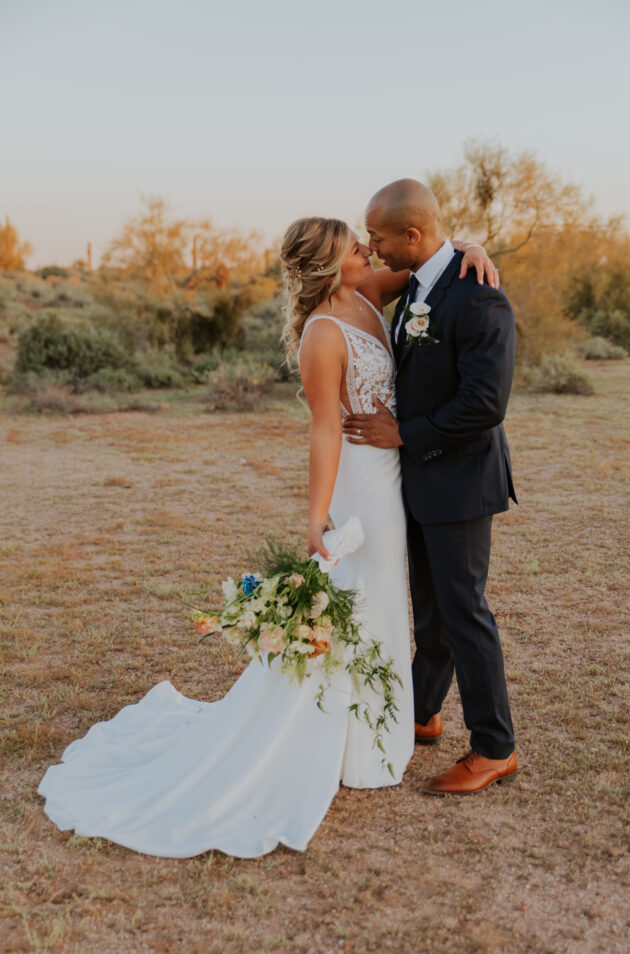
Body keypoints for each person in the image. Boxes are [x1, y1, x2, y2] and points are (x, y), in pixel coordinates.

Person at [37, 216, 496, 857]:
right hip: (363, 480)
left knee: (388, 598)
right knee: (368, 594)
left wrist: (472, 248)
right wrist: (315, 516)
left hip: (396, 469)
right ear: (334, 265)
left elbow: (433, 267)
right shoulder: (322, 333)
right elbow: (324, 430)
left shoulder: (368, 294)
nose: (370, 250)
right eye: (358, 247)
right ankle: (355, 737)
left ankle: (382, 725)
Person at [344, 179, 517, 794]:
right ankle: (420, 711)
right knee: (433, 615)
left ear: (411, 235)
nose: (374, 247)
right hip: (418, 483)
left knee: (464, 611)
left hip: (461, 481)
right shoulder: (416, 285)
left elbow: (485, 403)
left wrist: (404, 434)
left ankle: (495, 747)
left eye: (380, 237)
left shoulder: (478, 298)